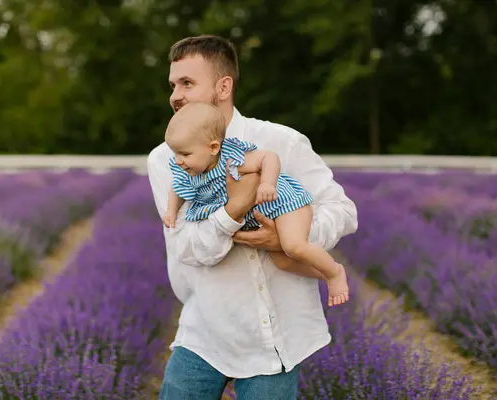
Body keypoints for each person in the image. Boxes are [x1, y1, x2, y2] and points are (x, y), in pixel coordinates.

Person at [147, 35, 358, 400]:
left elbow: (342, 212)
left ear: (223, 86)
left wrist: (288, 240)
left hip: (274, 339)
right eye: (172, 85)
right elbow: (186, 247)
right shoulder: (165, 158)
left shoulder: (281, 141)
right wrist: (232, 213)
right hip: (206, 330)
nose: (175, 95)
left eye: (187, 83)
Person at [162, 101, 349, 307]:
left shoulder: (231, 159)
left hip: (284, 203)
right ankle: (324, 272)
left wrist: (267, 183)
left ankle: (335, 273)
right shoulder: (188, 169)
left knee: (294, 246)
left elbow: (268, 157)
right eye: (176, 153)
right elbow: (178, 189)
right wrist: (171, 210)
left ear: (214, 148)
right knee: (284, 261)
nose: (178, 160)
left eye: (185, 154)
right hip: (266, 213)